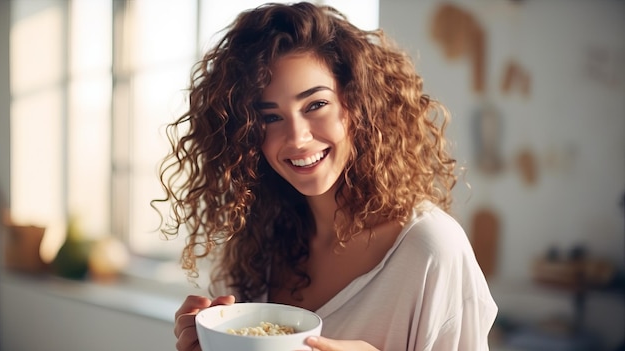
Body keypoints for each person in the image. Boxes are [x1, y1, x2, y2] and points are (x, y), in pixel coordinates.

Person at [155, 2, 498, 350]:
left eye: (315, 105)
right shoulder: (258, 246)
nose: (297, 137)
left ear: (357, 105)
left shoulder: (431, 250)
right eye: (271, 118)